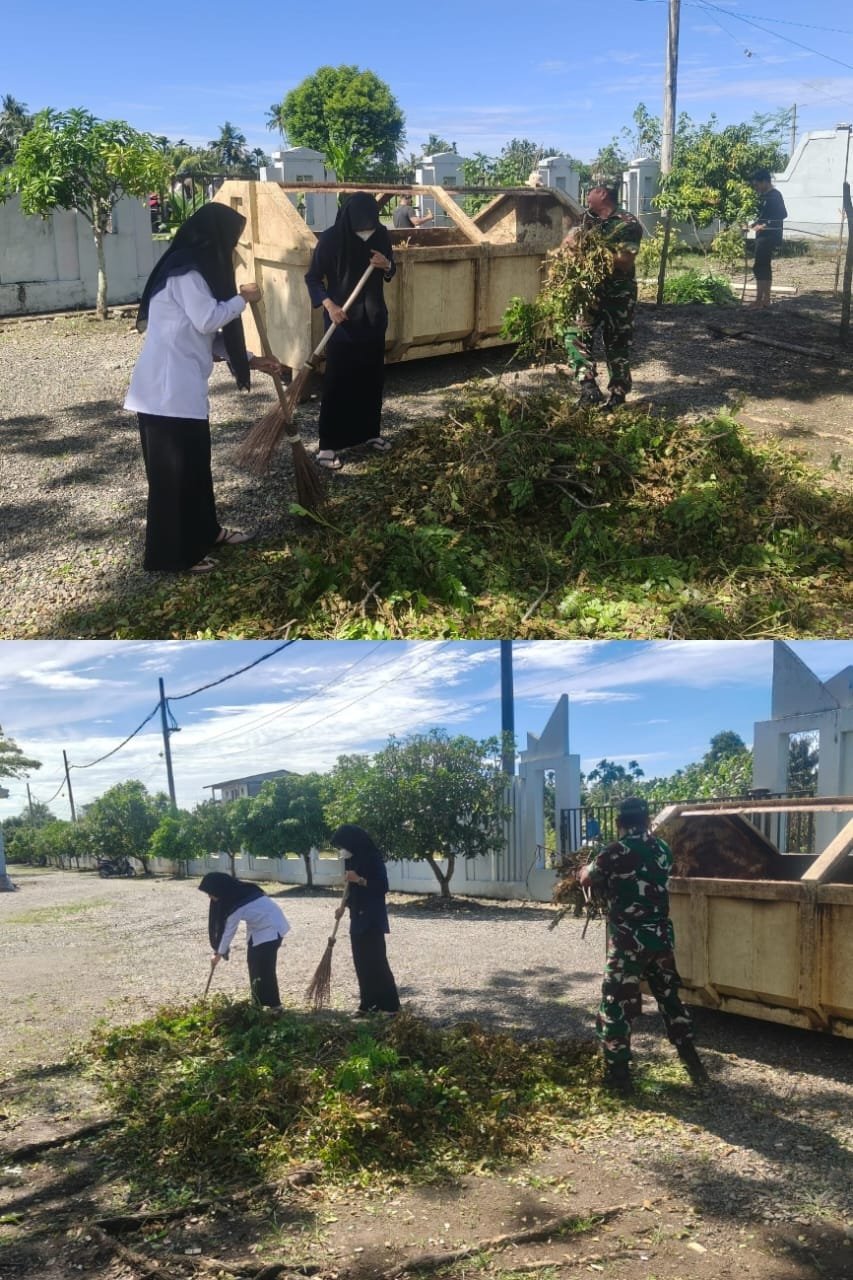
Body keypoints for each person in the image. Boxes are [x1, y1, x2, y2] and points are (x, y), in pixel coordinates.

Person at [125, 203, 282, 574]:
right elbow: (208, 317)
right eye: (231, 243)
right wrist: (243, 299)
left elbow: (206, 337)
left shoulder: (195, 273)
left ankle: (206, 531)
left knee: (196, 470)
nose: (231, 252)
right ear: (213, 240)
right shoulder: (185, 274)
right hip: (164, 396)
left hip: (182, 393)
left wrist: (251, 361)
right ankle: (174, 556)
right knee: (172, 479)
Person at [578, 796, 708, 1095]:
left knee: (616, 1005)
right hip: (661, 940)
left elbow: (587, 878)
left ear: (619, 822)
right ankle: (692, 1062)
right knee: (670, 999)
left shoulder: (615, 851)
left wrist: (584, 870)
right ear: (647, 819)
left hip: (627, 944)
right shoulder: (662, 849)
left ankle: (619, 1077)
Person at [304, 192, 396, 471]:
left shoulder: (381, 236)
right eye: (361, 226)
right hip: (341, 324)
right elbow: (312, 278)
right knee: (338, 383)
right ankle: (328, 445)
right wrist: (329, 305)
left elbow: (391, 271)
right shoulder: (331, 238)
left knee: (371, 379)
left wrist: (387, 265)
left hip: (373, 320)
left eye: (370, 225)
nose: (366, 231)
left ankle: (370, 433)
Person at [562, 185, 643, 409]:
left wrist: (585, 252)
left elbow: (625, 259)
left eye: (590, 192)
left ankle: (617, 395)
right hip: (589, 291)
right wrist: (569, 246)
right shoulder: (587, 220)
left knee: (617, 342)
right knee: (573, 334)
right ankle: (588, 388)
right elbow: (568, 243)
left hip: (618, 294)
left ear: (603, 194)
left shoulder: (627, 223)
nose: (587, 197)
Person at [331, 824, 400, 1015]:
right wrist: (343, 906)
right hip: (357, 916)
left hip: (372, 917)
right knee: (361, 962)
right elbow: (349, 887)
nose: (341, 849)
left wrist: (360, 879)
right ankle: (368, 1004)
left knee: (376, 961)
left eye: (342, 845)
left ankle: (390, 1006)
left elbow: (382, 887)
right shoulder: (351, 859)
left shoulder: (373, 858)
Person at [199, 872, 290, 1010]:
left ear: (219, 889)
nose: (209, 897)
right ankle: (258, 1002)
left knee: (265, 968)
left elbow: (228, 932)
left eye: (210, 893)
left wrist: (218, 954)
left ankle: (275, 1006)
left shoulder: (236, 903)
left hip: (271, 929)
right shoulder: (240, 892)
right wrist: (219, 951)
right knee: (254, 964)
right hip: (259, 930)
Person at [748, 168, 787, 310]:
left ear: (764, 182)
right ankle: (765, 300)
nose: (756, 188)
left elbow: (782, 214)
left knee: (760, 266)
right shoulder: (764, 196)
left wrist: (764, 225)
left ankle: (761, 300)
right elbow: (763, 217)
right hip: (763, 236)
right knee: (763, 266)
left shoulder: (775, 195)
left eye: (757, 185)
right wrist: (751, 225)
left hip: (769, 236)